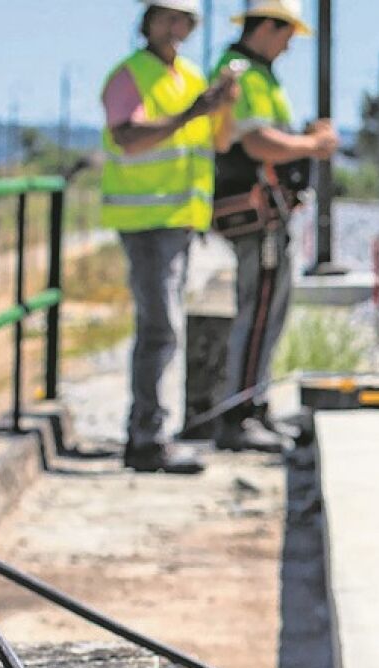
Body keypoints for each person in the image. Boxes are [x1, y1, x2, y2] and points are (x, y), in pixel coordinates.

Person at [100, 0, 239, 474]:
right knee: (160, 330)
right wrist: (191, 112)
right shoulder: (130, 75)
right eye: (168, 18)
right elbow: (128, 138)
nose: (176, 28)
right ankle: (146, 439)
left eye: (184, 20)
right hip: (146, 222)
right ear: (149, 22)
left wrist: (220, 108)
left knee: (164, 329)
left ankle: (150, 434)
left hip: (179, 220)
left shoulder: (190, 77)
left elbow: (214, 142)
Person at [209, 0, 338, 453]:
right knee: (259, 311)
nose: (288, 47)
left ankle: (254, 406)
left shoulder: (258, 73)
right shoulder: (240, 71)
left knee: (269, 312)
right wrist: (312, 144)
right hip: (255, 213)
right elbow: (256, 140)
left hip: (269, 213)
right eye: (286, 35)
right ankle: (238, 416)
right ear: (268, 26)